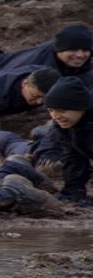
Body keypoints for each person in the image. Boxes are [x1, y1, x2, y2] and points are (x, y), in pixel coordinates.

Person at [0, 24, 93, 84]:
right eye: (73, 50)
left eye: (85, 50)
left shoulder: (73, 61)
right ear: (59, 50)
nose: (80, 55)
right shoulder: (37, 68)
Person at [43, 76, 93, 205]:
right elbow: (73, 157)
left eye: (62, 110)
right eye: (50, 110)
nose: (55, 116)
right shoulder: (63, 127)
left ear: (81, 107)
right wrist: (74, 190)